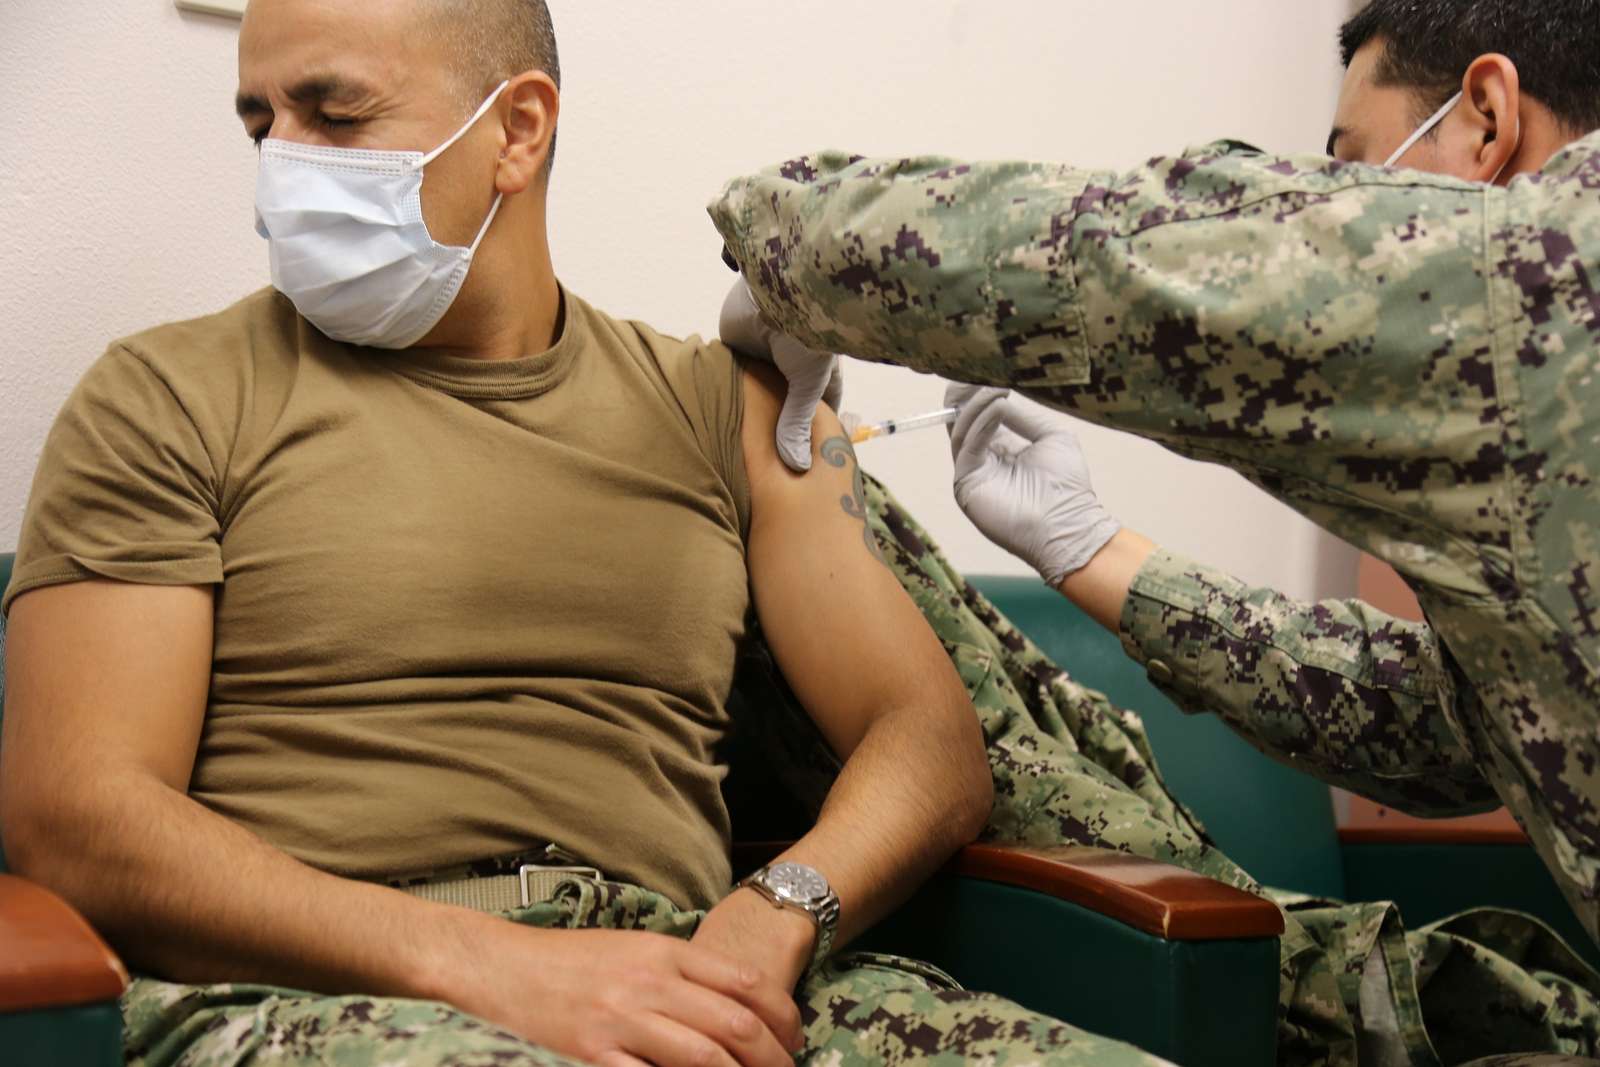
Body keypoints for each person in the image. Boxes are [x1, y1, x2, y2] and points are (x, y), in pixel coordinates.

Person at [0, 1, 1172, 1065]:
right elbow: (77, 818)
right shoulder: (166, 396)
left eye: (334, 113)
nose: (282, 165)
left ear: (517, 129)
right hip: (316, 991)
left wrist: (778, 912)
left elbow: (923, 737)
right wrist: (487, 963)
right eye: (261, 122)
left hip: (682, 968)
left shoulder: (730, 404)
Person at [713, 0, 1600, 945]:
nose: (1337, 204)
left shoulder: (1543, 277)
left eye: (1349, 172)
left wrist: (782, 243)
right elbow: (1444, 728)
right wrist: (1093, 548)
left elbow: (1113, 259)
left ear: (1489, 119)